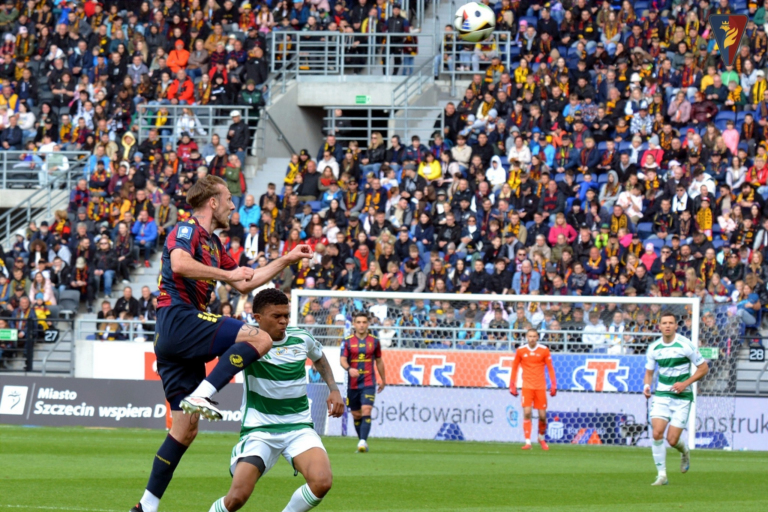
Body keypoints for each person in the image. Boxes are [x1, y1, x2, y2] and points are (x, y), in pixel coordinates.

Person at [131, 175, 314, 512]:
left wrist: (287, 259)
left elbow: (248, 280)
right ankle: (204, 393)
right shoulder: (186, 231)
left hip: (176, 337)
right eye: (229, 198)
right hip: (179, 318)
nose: (233, 204)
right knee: (260, 336)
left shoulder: (214, 246)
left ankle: (145, 506)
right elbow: (180, 264)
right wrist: (228, 276)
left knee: (185, 429)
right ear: (212, 202)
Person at [207, 288, 344, 512]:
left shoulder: (302, 338)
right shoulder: (246, 343)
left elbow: (319, 358)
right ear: (258, 318)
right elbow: (220, 361)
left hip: (298, 427)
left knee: (322, 482)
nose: (283, 321)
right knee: (236, 498)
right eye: (276, 316)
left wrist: (334, 389)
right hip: (260, 430)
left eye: (286, 315)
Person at [644, 313, 709, 486]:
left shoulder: (685, 345)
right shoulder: (654, 348)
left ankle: (685, 451)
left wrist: (685, 383)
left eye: (670, 323)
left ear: (675, 326)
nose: (667, 326)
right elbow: (649, 372)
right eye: (664, 323)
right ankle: (662, 475)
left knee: (672, 440)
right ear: (659, 326)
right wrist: (646, 386)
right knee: (657, 433)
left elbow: (703, 368)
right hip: (663, 394)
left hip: (682, 396)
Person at [339, 311, 386, 453]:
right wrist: (349, 369)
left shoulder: (374, 341)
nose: (361, 325)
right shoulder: (347, 341)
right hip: (352, 384)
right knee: (356, 415)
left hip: (368, 382)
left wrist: (383, 380)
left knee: (367, 410)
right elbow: (342, 360)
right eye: (358, 322)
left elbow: (379, 361)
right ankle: (362, 442)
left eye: (364, 322)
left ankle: (362, 441)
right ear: (354, 324)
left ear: (368, 324)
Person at [509, 328, 557, 450]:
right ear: (526, 337)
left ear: (537, 337)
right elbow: (514, 367)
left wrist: (553, 384)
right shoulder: (520, 350)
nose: (532, 338)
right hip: (527, 386)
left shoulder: (544, 350)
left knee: (542, 416)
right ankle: (528, 442)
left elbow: (550, 368)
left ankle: (541, 438)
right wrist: (512, 384)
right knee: (527, 412)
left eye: (534, 336)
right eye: (530, 336)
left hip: (540, 387)